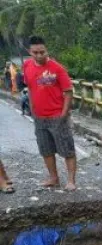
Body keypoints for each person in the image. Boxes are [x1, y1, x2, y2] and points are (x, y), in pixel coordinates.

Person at [23, 36, 77, 191]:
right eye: (35, 52)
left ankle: (71, 180)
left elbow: (68, 92)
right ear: (29, 52)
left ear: (47, 50)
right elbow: (31, 89)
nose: (39, 55)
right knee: (45, 149)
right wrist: (32, 110)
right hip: (39, 117)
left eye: (42, 52)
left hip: (57, 116)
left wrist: (64, 114)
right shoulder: (26, 66)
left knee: (67, 149)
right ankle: (53, 178)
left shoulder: (57, 68)